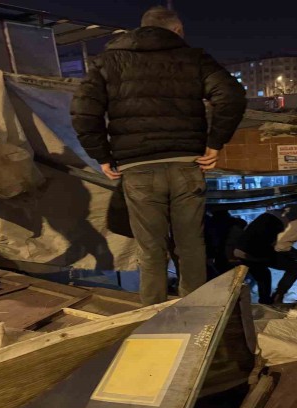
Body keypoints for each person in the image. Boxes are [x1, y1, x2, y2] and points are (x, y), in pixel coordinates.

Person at [71, 7, 246, 305]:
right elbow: (231, 95)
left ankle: (153, 315)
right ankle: (195, 315)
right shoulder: (194, 58)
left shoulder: (108, 61)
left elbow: (83, 112)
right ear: (177, 30)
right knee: (190, 246)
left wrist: (102, 156)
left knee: (151, 250)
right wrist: (215, 144)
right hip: (187, 166)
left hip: (138, 168)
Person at [234, 203, 297, 304]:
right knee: (294, 267)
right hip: (252, 253)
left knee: (263, 274)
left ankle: (265, 301)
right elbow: (280, 246)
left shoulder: (267, 215)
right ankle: (277, 296)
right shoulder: (279, 222)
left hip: (240, 249)